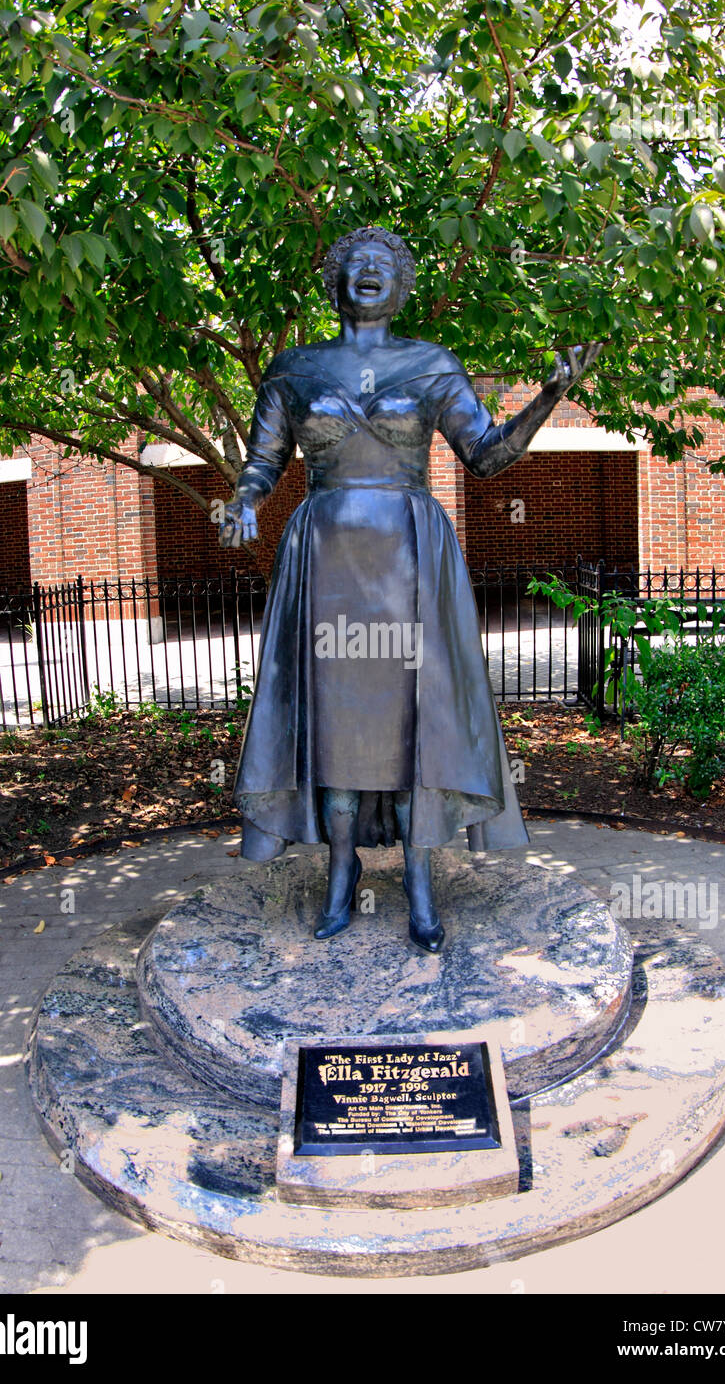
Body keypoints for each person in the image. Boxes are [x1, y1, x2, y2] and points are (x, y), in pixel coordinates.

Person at [219, 226, 601, 952]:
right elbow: (263, 461)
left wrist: (549, 396)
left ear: (402, 285)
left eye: (384, 266)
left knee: (413, 724)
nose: (368, 272)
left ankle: (421, 883)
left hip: (411, 561)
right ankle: (340, 873)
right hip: (326, 563)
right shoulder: (295, 367)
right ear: (335, 281)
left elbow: (486, 455)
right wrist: (243, 501)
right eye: (355, 264)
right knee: (333, 727)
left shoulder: (432, 365)